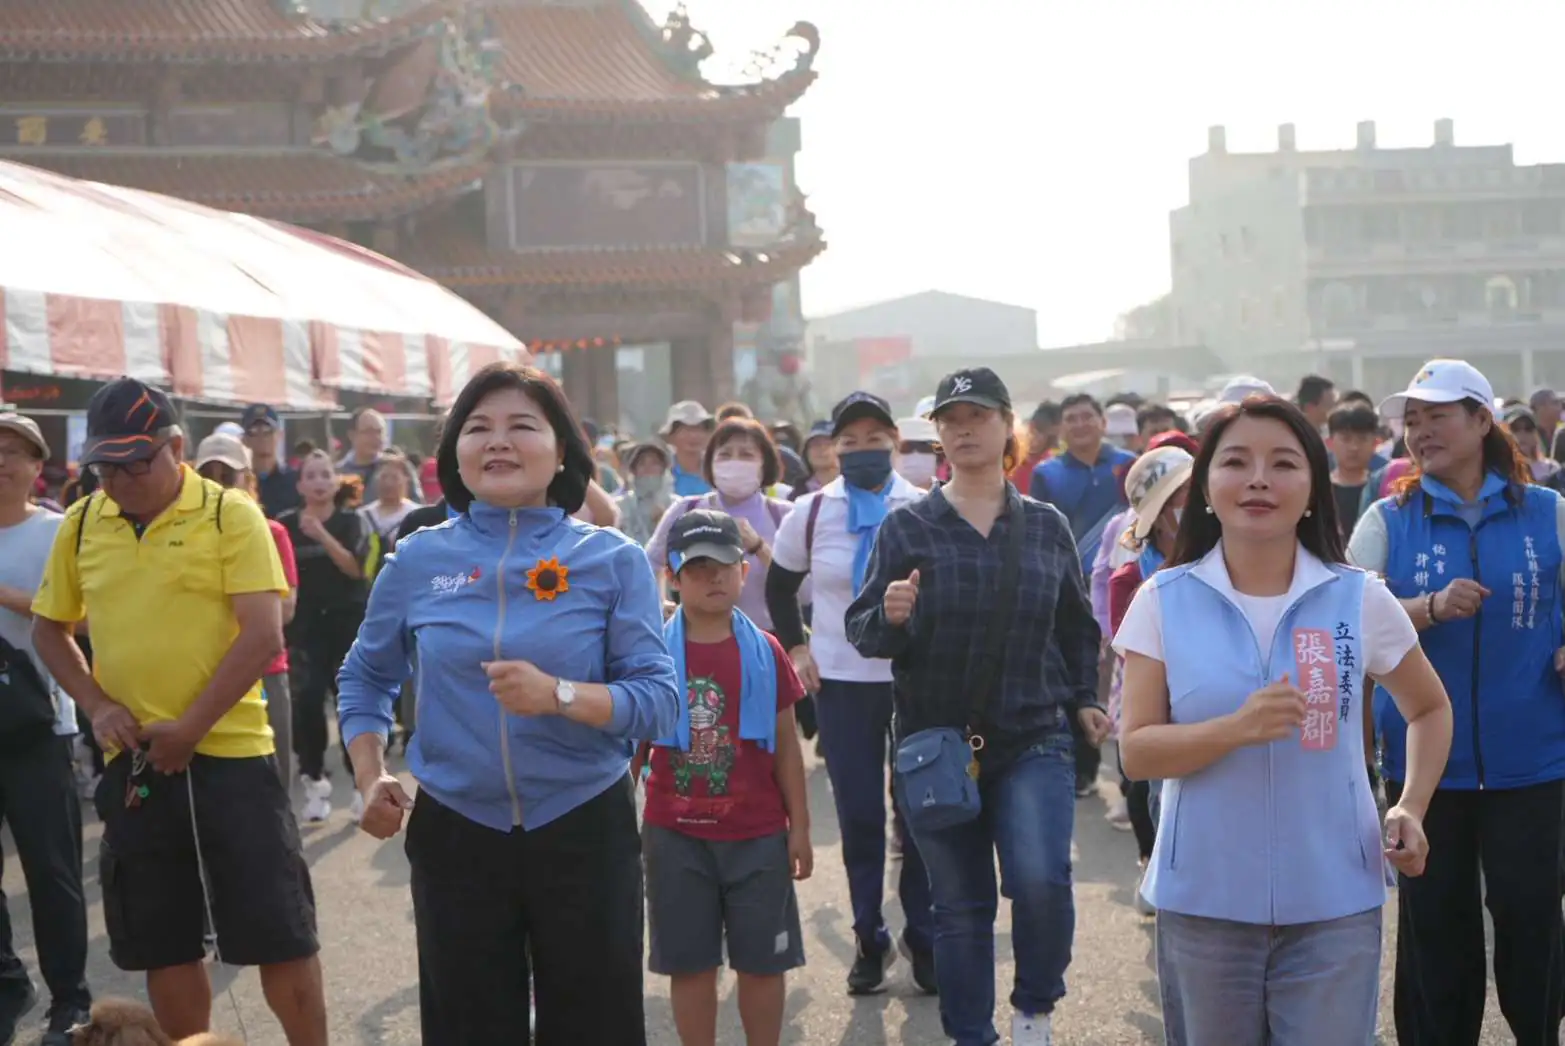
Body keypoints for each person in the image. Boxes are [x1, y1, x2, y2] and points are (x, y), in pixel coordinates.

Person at [337, 362, 680, 1046]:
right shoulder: (417, 561)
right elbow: (366, 676)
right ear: (454, 453)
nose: (497, 441)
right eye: (478, 428)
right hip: (457, 831)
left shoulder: (612, 560)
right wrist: (369, 773)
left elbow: (659, 702)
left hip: (583, 825)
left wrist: (559, 696)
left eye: (521, 425)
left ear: (562, 451)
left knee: (596, 1030)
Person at [1113, 395, 1451, 1044]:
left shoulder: (1359, 597)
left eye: (1284, 464)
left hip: (1334, 901)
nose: (1259, 480)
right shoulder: (1162, 600)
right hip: (1203, 902)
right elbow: (1138, 752)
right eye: (1236, 462)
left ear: (1313, 489)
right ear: (1205, 486)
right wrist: (1235, 729)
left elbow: (1429, 708)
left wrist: (1410, 805)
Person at [30, 379, 325, 1045]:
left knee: (279, 932)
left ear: (176, 448)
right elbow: (51, 629)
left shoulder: (229, 514)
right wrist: (97, 705)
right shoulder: (83, 521)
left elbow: (262, 635)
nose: (119, 481)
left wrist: (190, 729)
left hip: (233, 756)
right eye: (105, 467)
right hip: (135, 761)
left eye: (135, 463)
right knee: (164, 941)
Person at [846, 367, 1112, 1046]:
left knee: (1041, 880)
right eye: (951, 420)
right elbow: (864, 631)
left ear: (1006, 425)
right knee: (960, 908)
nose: (964, 430)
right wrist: (891, 614)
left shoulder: (1045, 526)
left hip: (1034, 734)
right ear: (938, 435)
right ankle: (972, 1035)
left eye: (978, 417)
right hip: (937, 744)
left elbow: (1076, 626)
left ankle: (1034, 1011)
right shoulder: (907, 526)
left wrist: (1085, 699)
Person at [1348, 358, 1565, 1046]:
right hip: (1422, 771)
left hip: (1533, 763)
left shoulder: (1549, 513)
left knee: (1533, 922)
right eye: (1411, 420)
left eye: (1436, 416)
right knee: (1434, 934)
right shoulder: (1387, 519)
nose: (1419, 432)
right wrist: (1428, 607)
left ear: (1481, 421)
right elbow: (1345, 622)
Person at [765, 392, 936, 996]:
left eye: (875, 438)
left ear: (895, 442)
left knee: (918, 815)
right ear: (833, 448)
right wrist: (798, 649)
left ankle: (924, 936)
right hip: (841, 683)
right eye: (850, 440)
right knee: (860, 817)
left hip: (914, 683)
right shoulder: (811, 511)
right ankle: (869, 935)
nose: (863, 449)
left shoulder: (926, 505)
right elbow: (780, 587)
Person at [642, 509, 811, 1046]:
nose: (713, 577)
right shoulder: (651, 653)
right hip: (675, 836)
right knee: (690, 965)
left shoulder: (766, 649)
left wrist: (800, 829)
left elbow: (787, 747)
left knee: (763, 964)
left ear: (744, 571)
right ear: (673, 576)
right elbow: (632, 746)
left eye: (724, 565)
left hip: (757, 834)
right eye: (698, 568)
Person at [0, 409, 91, 1046]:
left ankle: (69, 1000)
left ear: (38, 466)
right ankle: (8, 984)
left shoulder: (58, 532)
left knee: (51, 871)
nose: (1, 461)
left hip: (38, 724)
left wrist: (6, 594)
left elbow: (83, 617)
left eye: (15, 450)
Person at [1102, 444, 1194, 908]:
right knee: (1158, 800)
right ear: (1156, 517)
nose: (1193, 504)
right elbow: (1134, 654)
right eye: (1179, 497)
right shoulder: (1129, 580)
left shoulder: (1235, 557)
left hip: (1226, 711)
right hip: (1162, 713)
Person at [193, 433, 300, 790]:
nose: (218, 485)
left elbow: (285, 610)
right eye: (208, 475)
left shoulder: (272, 533)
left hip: (265, 672)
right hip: (203, 675)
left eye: (228, 475)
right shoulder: (184, 538)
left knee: (274, 782)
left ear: (249, 480)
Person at [278, 452, 372, 823]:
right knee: (307, 703)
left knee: (350, 704)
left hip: (346, 624)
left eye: (325, 475)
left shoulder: (352, 521)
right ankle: (315, 783)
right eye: (311, 476)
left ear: (335, 482)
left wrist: (321, 534)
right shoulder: (286, 525)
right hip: (304, 629)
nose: (319, 482)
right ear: (300, 485)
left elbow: (356, 569)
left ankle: (361, 783)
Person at [645, 418, 792, 632]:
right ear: (711, 462)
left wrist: (760, 548)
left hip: (770, 638)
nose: (735, 462)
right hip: (697, 639)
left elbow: (806, 592)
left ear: (765, 463)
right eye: (725, 454)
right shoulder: (686, 509)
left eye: (746, 455)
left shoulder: (784, 515)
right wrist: (660, 602)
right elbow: (648, 563)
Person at [1327, 403, 1380, 543]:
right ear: (1330, 443)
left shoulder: (1382, 489)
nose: (1354, 447)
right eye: (1346, 439)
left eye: (1362, 439)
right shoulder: (1317, 489)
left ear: (1374, 444)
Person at [241, 403, 299, 519]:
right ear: (244, 439)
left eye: (267, 430)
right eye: (253, 431)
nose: (261, 437)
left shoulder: (295, 480)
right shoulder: (239, 482)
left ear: (280, 435)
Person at [616, 442, 674, 547]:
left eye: (655, 463)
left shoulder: (676, 505)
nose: (648, 468)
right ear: (633, 470)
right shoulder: (620, 506)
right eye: (642, 463)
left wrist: (664, 522)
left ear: (663, 469)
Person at [360, 450, 421, 550]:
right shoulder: (363, 515)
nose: (388, 483)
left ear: (406, 479)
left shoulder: (417, 515)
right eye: (383, 477)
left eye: (395, 478)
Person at [661, 401, 716, 497]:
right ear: (671, 436)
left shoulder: (716, 469)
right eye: (686, 430)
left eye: (699, 429)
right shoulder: (662, 472)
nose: (693, 436)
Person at [1500, 404, 1563, 487]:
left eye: (1528, 428)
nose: (1522, 434)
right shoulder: (1500, 470)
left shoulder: (1551, 468)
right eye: (1515, 429)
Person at [1011, 401, 1060, 487]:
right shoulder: (1010, 456)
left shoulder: (1051, 467)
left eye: (1038, 432)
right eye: (1031, 431)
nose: (1032, 437)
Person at [337, 408, 389, 488]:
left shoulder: (393, 471)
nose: (376, 437)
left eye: (379, 432)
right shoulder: (338, 474)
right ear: (352, 435)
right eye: (368, 431)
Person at [789, 421, 838, 500]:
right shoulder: (798, 494)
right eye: (816, 444)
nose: (822, 449)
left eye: (828, 444)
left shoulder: (854, 486)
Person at [895, 415, 941, 490]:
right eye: (906, 447)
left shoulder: (950, 495)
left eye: (925, 448)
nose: (916, 454)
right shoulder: (878, 494)